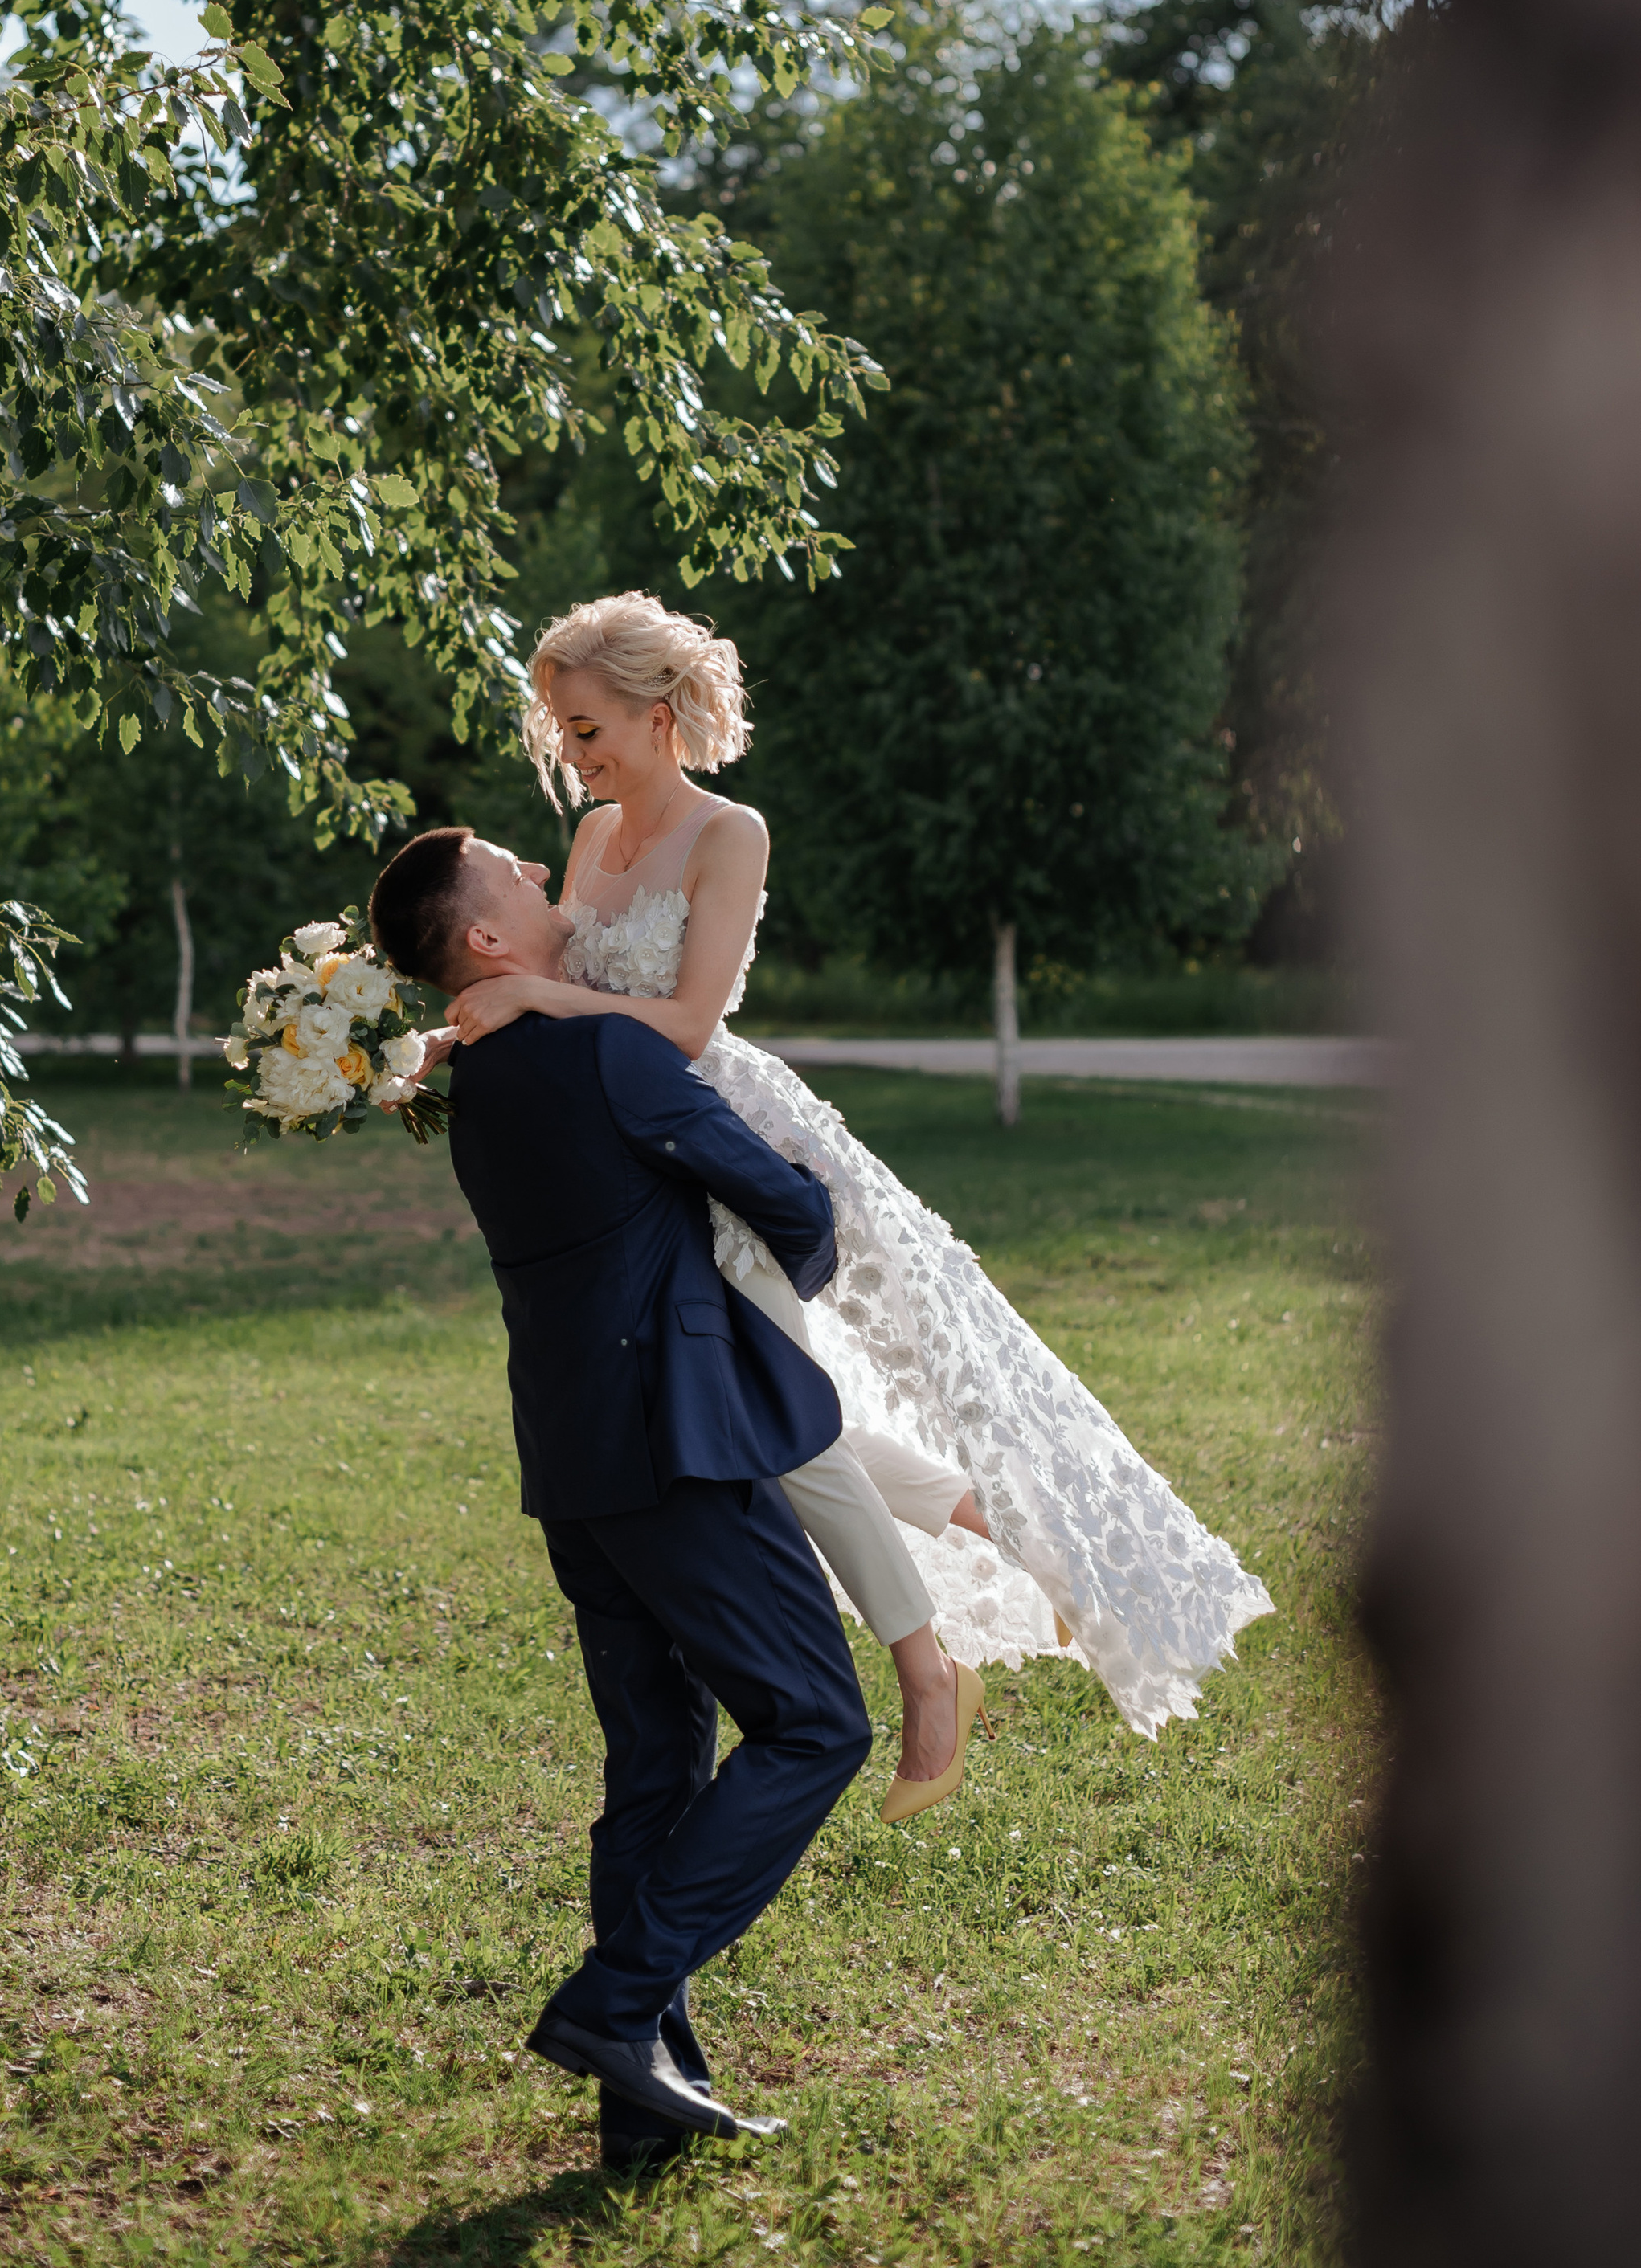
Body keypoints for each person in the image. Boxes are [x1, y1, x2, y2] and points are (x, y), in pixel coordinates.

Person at [440, 591, 1275, 1743]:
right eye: (561, 731)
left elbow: (682, 1022)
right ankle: (998, 1544)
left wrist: (535, 990)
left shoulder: (731, 833)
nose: (571, 756)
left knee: (781, 1413)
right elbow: (554, 991)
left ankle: (930, 1668)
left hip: (721, 1135)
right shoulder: (589, 839)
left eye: (587, 729)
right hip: (633, 1166)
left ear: (657, 712)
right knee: (772, 1409)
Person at [370, 822, 887, 2170]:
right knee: (815, 1721)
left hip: (572, 1458)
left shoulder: (477, 1088)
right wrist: (811, 1221)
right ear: (485, 938)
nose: (545, 874)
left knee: (655, 1767)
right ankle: (614, 2002)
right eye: (513, 872)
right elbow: (786, 1204)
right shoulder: (608, 1051)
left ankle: (640, 2113)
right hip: (676, 1445)